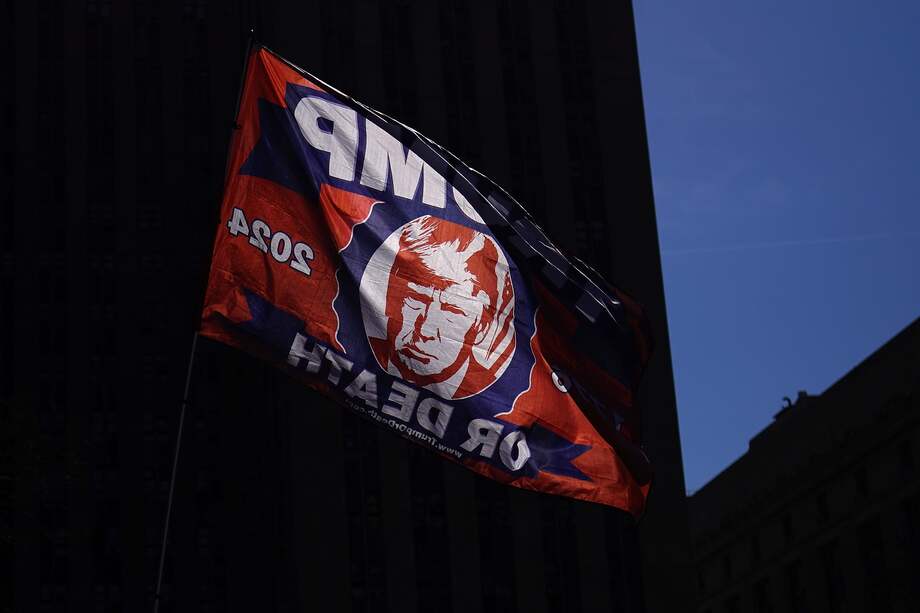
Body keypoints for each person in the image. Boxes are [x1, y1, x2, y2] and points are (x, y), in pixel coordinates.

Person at [369, 215, 515, 399]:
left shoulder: (497, 401)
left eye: (452, 310)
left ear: (482, 327)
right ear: (392, 297)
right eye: (416, 299)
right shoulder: (353, 345)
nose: (424, 330)